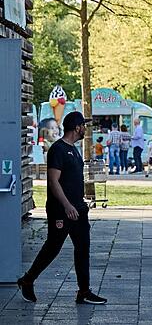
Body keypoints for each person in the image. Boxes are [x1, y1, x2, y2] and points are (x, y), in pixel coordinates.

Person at [17, 111, 107, 305]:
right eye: (83, 125)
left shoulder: (74, 149)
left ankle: (83, 291)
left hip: (78, 210)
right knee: (53, 247)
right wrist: (66, 206)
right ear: (76, 127)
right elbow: (53, 181)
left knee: (83, 248)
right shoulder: (58, 149)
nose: (85, 128)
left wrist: (80, 203)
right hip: (62, 210)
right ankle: (27, 280)